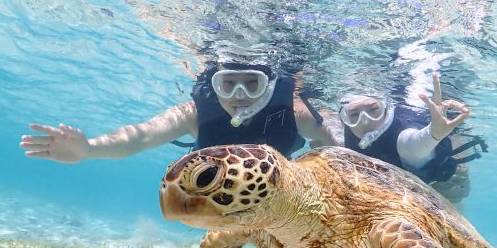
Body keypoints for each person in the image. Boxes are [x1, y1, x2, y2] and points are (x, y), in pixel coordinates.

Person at [20, 62, 337, 163]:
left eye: (251, 84)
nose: (239, 95)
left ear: (268, 85)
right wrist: (90, 148)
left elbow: (330, 153)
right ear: (214, 85)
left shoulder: (297, 114)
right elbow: (142, 137)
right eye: (227, 84)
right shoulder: (194, 115)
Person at [340, 72, 486, 203]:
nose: (365, 120)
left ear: (385, 109)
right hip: (397, 180)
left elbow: (413, 146)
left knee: (455, 191)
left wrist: (433, 134)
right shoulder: (347, 130)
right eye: (354, 114)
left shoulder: (402, 137)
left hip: (432, 168)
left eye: (373, 109)